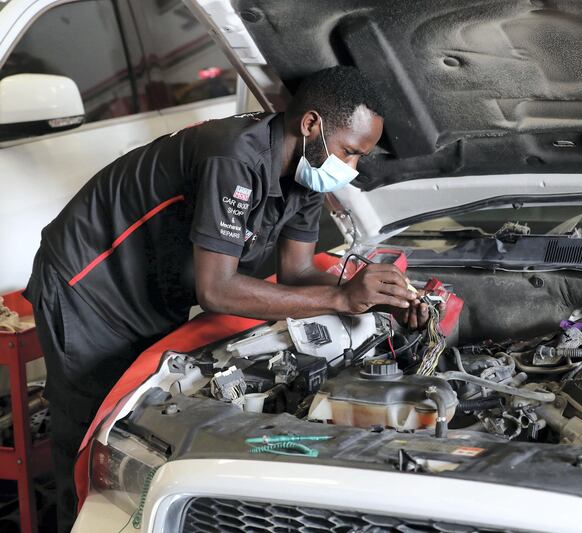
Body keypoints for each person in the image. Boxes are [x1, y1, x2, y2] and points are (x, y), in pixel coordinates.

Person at [24, 66, 428, 532]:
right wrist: (340, 300)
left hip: (151, 292)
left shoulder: (307, 175)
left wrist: (370, 301)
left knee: (140, 417)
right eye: (350, 152)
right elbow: (216, 291)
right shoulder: (234, 156)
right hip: (88, 285)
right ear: (312, 125)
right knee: (93, 437)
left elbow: (296, 273)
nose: (351, 169)